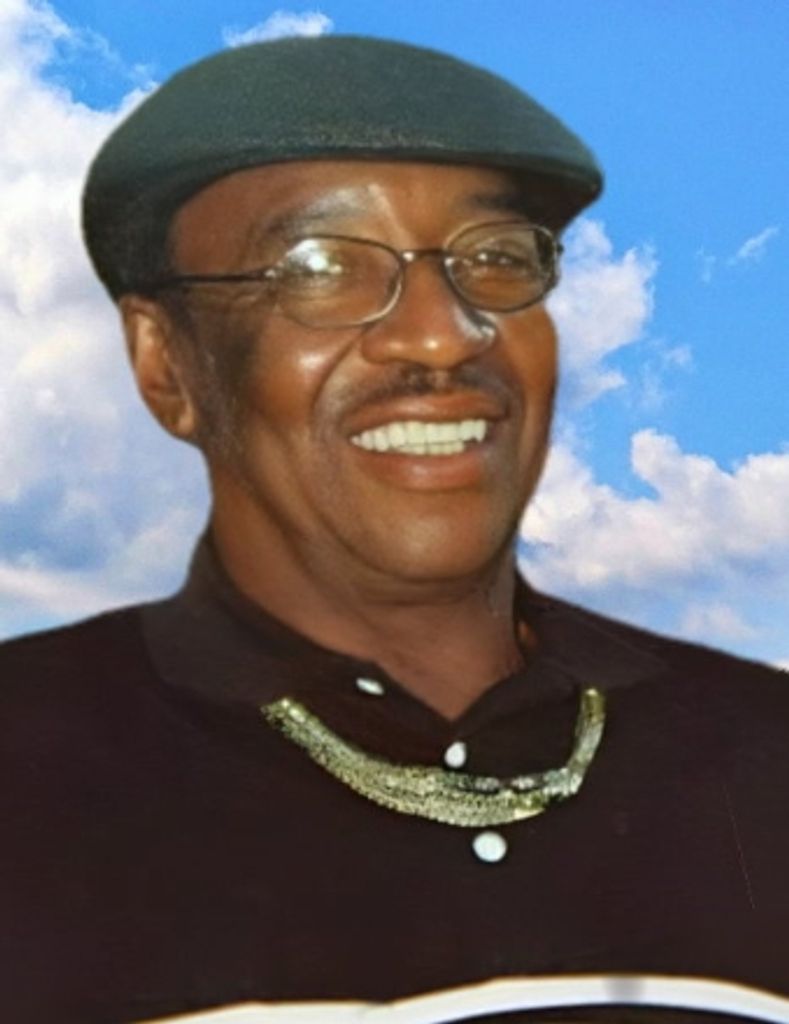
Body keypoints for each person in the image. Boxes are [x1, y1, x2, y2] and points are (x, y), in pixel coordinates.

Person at [1, 35, 787, 1024]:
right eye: (319, 266)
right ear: (165, 363)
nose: (443, 334)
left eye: (496, 258)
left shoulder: (765, 755)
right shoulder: (28, 775)